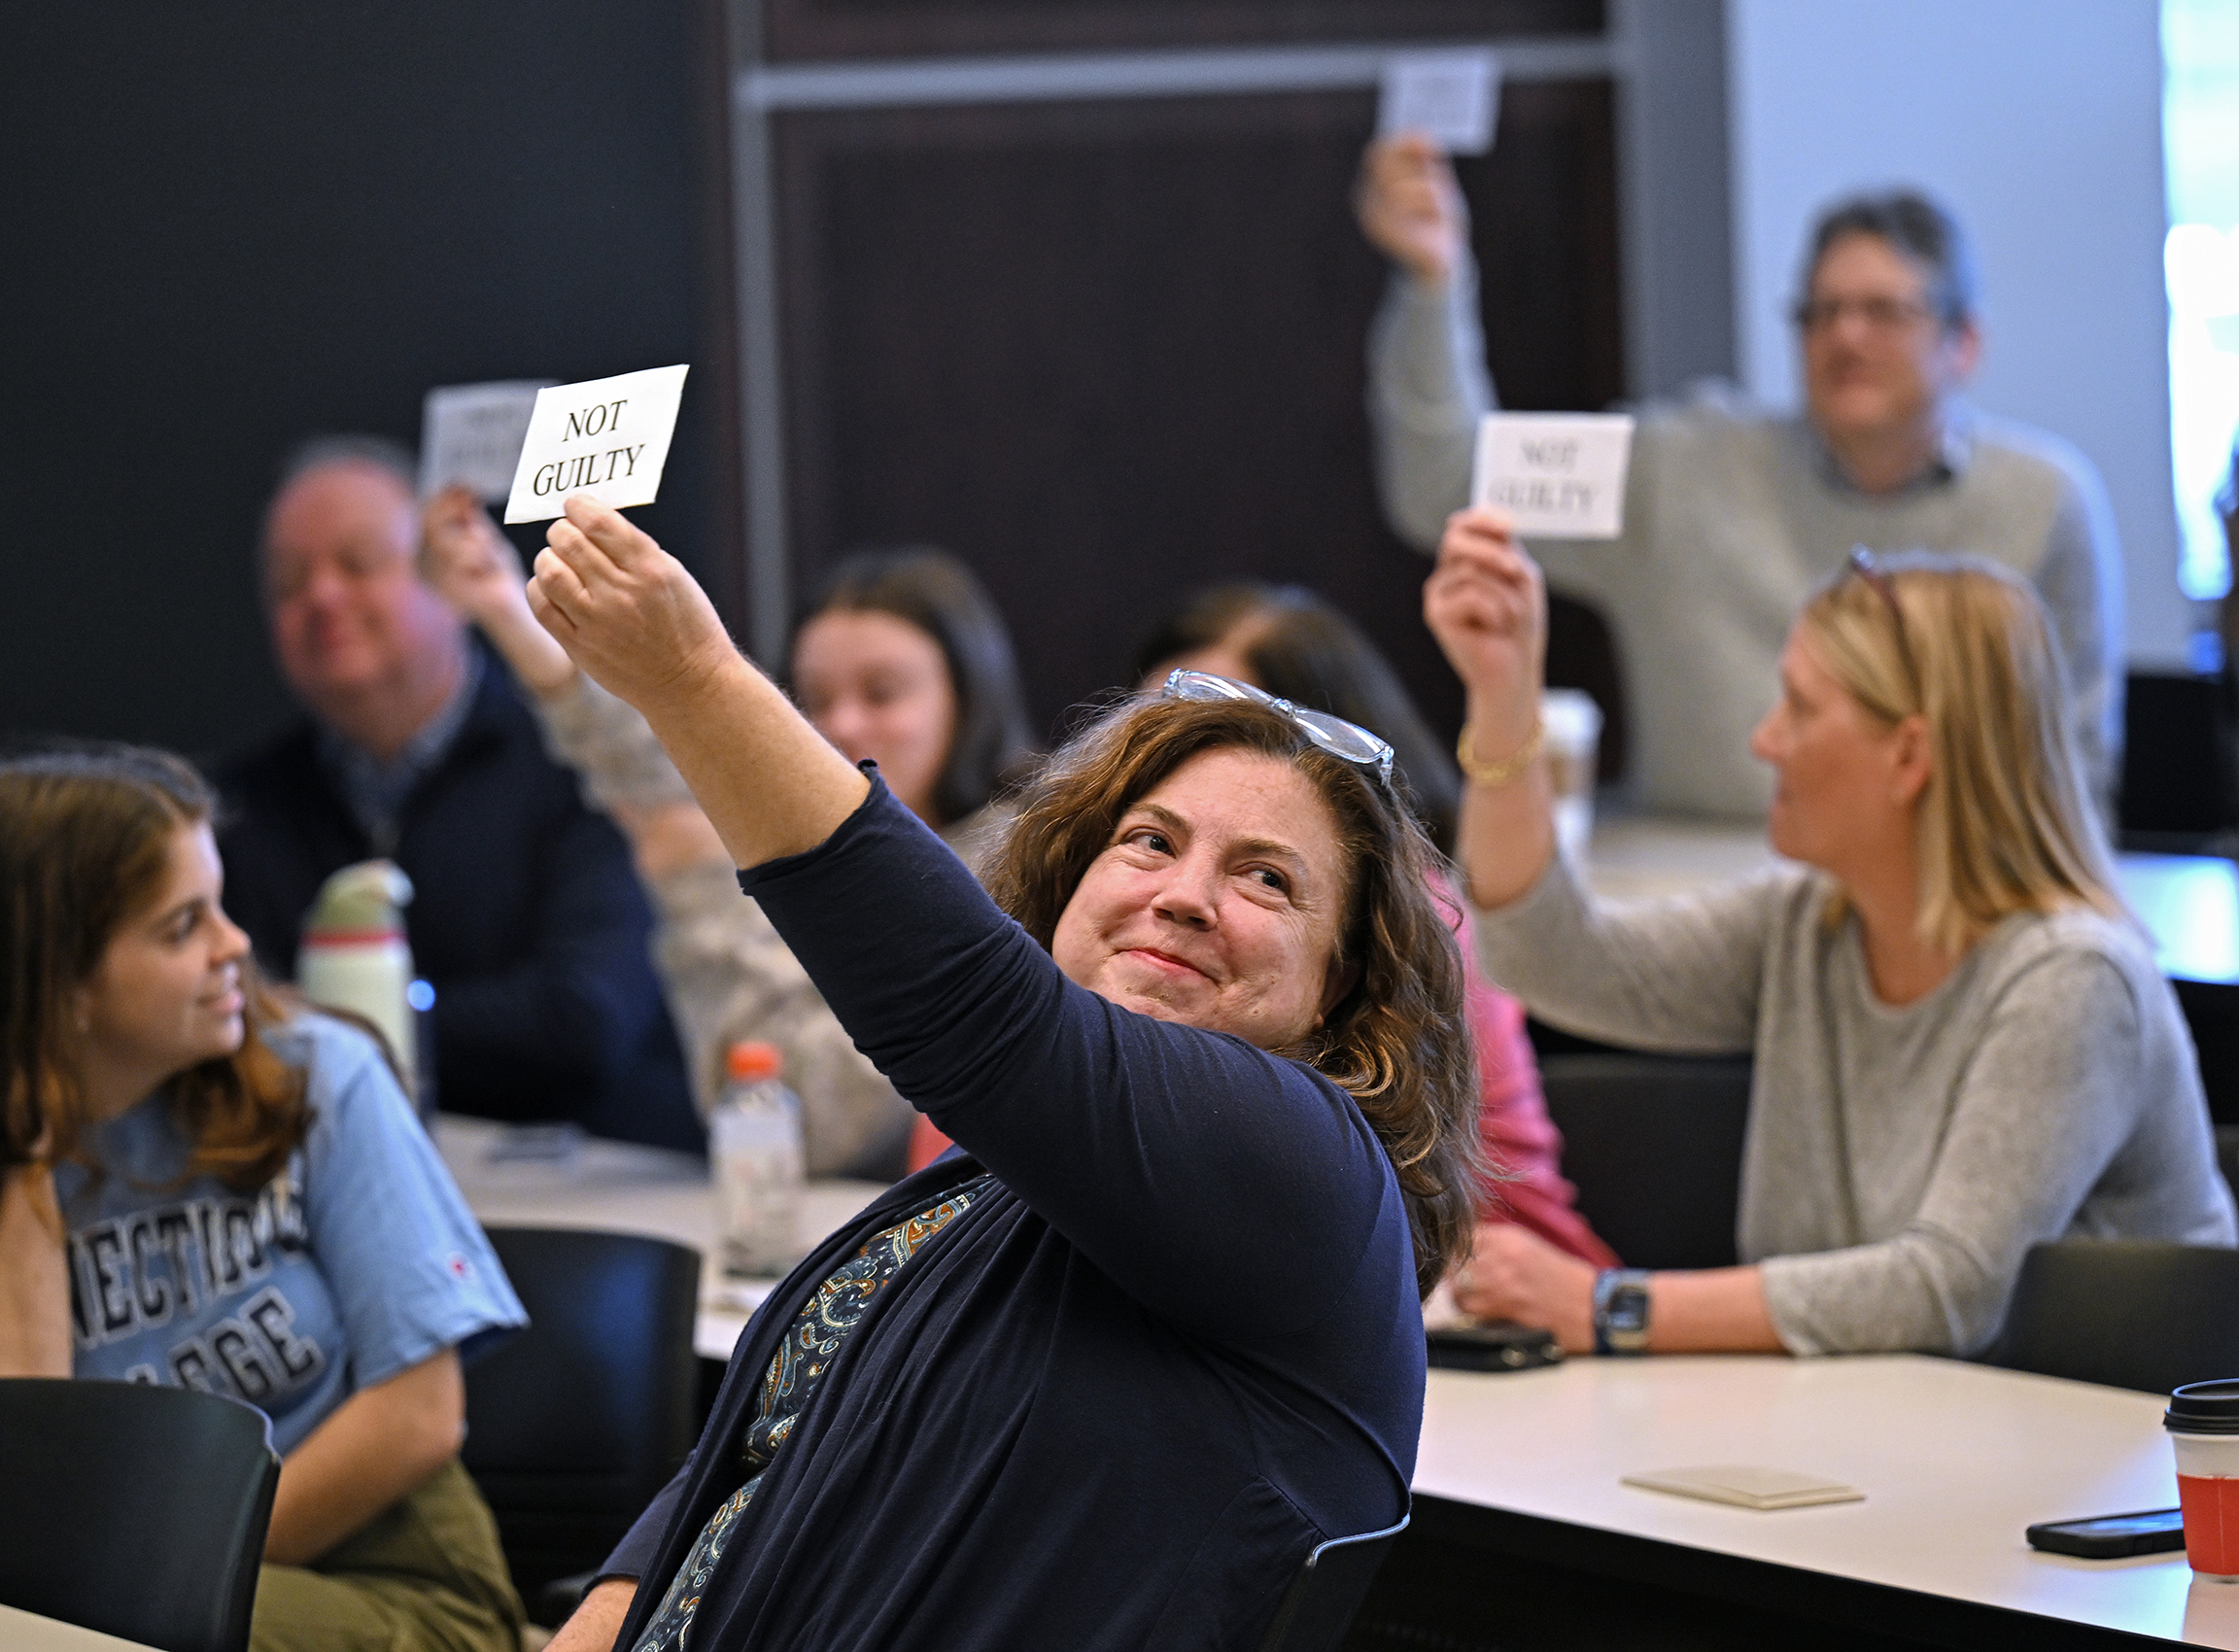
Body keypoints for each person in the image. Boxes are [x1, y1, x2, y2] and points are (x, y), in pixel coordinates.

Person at [506, 495, 1479, 1652]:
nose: (1181, 892)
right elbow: (766, 1449)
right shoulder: (993, 1186)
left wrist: (694, 679)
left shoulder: (1310, 1168)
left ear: (1338, 990)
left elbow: (972, 1009)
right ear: (1070, 883)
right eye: (1150, 840)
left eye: (1267, 879)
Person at [1423, 506, 2234, 1358]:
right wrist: (1502, 696)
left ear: (1909, 758)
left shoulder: (2072, 980)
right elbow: (1543, 959)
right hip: (1898, 1438)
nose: (1764, 740)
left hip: (2128, 1472)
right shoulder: (1809, 924)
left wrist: (1609, 1307)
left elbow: (1945, 1292)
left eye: (1802, 709)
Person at [1358, 137, 2124, 816]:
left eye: (1883, 311)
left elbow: (2075, 771)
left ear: (1964, 342)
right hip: (1696, 892)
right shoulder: (1683, 468)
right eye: (1820, 312)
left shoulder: (2043, 501)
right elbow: (1447, 487)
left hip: (1948, 919)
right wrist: (1435, 281)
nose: (1845, 335)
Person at [0, 744, 529, 1652]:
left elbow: (422, 1416)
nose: (235, 945)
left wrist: (149, 1590)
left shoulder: (317, 1075)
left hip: (393, 1583)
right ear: (62, 981)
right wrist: (24, 1172)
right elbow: (34, 1475)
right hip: (110, 1593)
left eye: (220, 905)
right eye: (182, 927)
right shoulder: (23, 1166)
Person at [421, 487, 1037, 1177]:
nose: (843, 727)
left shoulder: (1017, 865)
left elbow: (807, 1124)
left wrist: (695, 874)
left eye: (883, 693)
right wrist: (509, 607)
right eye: (813, 698)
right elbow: (653, 765)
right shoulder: (815, 834)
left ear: (969, 698)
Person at [215, 438, 700, 1150]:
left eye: (357, 564)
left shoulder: (579, 770)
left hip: (595, 1192)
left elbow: (582, 1025)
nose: (321, 597)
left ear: (450, 577)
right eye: (289, 583)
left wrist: (339, 1018)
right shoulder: (241, 803)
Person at [1120, 581, 1616, 1268]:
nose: (1179, 758)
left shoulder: (1412, 924)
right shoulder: (1095, 895)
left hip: (1479, 1291)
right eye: (1155, 727)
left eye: (1265, 877)